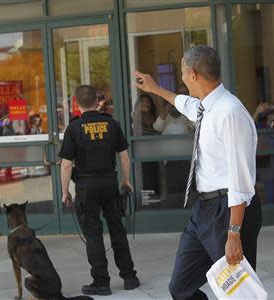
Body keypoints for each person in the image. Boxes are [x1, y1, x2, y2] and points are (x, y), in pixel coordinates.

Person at [134, 45, 258, 299]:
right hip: (204, 210)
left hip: (228, 210)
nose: (181, 78)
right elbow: (185, 104)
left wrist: (234, 233)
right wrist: (155, 89)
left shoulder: (229, 112)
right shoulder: (205, 107)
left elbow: (241, 179)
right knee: (181, 288)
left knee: (238, 294)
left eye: (181, 72)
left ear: (193, 75)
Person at [59, 85, 140, 296]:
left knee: (93, 233)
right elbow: (123, 156)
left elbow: (66, 164)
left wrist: (65, 191)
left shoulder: (74, 128)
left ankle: (101, 282)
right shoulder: (111, 124)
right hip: (109, 183)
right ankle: (129, 276)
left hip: (86, 186)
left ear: (76, 104)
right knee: (117, 229)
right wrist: (126, 181)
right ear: (97, 101)